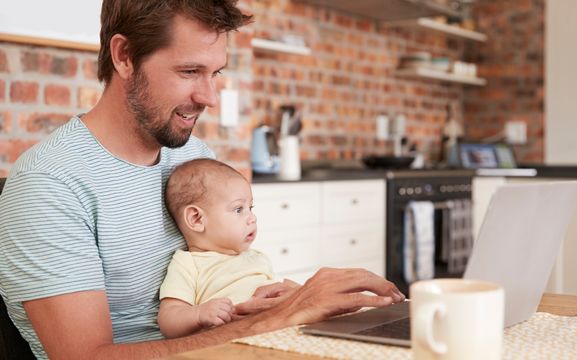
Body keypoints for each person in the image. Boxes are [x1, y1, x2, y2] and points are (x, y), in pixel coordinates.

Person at [0, 0, 404, 359]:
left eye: (216, 72)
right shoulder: (49, 185)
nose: (209, 96)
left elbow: (218, 274)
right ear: (124, 56)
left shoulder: (193, 156)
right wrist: (275, 320)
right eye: (190, 71)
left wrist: (278, 299)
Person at [158, 158, 298, 338]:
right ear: (197, 219)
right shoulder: (188, 264)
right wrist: (199, 314)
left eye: (251, 207)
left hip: (278, 331)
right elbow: (168, 319)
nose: (252, 218)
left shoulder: (257, 257)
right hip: (234, 342)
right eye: (239, 209)